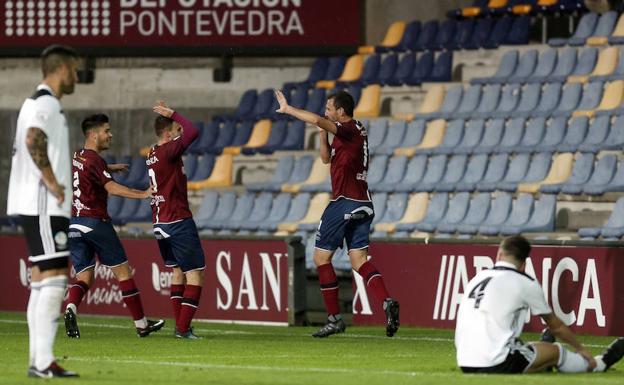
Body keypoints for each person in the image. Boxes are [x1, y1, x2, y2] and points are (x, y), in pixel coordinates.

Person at [275, 89, 400, 338]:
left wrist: (289, 109)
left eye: (329, 108)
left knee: (321, 258)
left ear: (341, 111)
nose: (326, 112)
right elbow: (325, 159)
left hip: (344, 202)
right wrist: (323, 134)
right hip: (364, 203)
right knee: (359, 261)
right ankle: (386, 302)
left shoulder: (349, 127)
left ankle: (333, 318)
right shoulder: (349, 134)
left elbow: (315, 120)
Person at [6, 45, 80, 378]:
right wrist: (51, 182)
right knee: (55, 278)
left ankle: (39, 361)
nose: (76, 76)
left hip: (35, 204)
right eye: (74, 69)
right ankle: (44, 359)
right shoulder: (45, 103)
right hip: (43, 206)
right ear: (61, 68)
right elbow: (34, 139)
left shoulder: (34, 102)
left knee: (41, 280)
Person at [455, 235, 624, 374]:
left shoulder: (476, 278)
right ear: (524, 265)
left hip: (465, 360)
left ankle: (543, 361)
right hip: (496, 363)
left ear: (499, 254)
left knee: (528, 348)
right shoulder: (524, 282)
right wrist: (581, 348)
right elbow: (555, 326)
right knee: (557, 353)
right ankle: (599, 364)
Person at [63, 114, 165, 339]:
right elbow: (113, 189)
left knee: (85, 278)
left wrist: (109, 167)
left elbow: (88, 168)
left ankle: (70, 308)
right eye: (106, 131)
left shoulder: (78, 156)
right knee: (123, 273)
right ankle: (141, 324)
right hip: (96, 222)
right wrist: (143, 194)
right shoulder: (95, 161)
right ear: (93, 134)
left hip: (76, 225)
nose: (110, 135)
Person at [147, 101, 205, 339]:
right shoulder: (168, 151)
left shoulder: (152, 153)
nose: (181, 131)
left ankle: (181, 326)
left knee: (178, 271)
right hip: (177, 220)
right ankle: (182, 328)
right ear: (168, 133)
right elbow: (193, 131)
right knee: (196, 274)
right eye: (176, 129)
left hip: (160, 222)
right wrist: (174, 114)